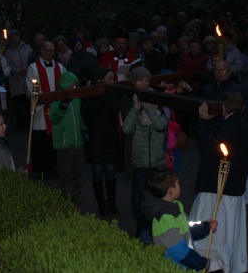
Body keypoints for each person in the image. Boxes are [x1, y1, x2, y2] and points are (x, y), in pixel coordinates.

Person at [189, 91, 248, 273]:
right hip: (235, 187)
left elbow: (205, 146)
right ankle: (231, 263)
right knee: (231, 232)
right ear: (242, 108)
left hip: (214, 186)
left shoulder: (220, 127)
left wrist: (203, 121)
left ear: (224, 108)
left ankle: (210, 261)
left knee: (210, 227)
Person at [123, 66, 168, 243]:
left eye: (147, 80)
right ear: (134, 82)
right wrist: (136, 108)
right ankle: (142, 226)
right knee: (139, 196)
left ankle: (156, 227)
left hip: (157, 160)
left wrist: (149, 108)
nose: (144, 83)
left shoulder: (156, 100)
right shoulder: (130, 98)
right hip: (140, 161)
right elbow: (126, 129)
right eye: (140, 80)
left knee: (158, 195)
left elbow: (160, 125)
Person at [143, 167, 218, 271]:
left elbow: (186, 228)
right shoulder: (164, 219)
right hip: (175, 268)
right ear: (171, 190)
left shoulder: (175, 206)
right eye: (177, 184)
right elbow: (179, 251)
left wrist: (205, 226)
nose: (179, 186)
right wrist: (201, 263)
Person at [81, 67, 122, 216]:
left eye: (113, 78)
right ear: (101, 79)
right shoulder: (90, 94)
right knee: (97, 172)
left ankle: (112, 202)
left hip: (110, 137)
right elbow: (85, 112)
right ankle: (101, 204)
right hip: (95, 138)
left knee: (110, 172)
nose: (112, 81)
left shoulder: (112, 94)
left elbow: (115, 107)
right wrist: (94, 91)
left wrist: (105, 91)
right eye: (109, 78)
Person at [25, 41, 65, 177]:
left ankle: (55, 167)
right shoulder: (33, 68)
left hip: (57, 109)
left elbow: (65, 85)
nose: (51, 53)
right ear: (41, 51)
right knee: (41, 141)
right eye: (48, 50)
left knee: (55, 139)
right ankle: (41, 168)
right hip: (41, 110)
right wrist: (47, 99)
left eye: (53, 50)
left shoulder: (60, 67)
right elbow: (32, 88)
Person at [49, 71, 86, 207]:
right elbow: (54, 118)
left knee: (78, 176)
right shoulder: (56, 99)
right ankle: (66, 205)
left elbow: (78, 118)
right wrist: (62, 107)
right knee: (66, 178)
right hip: (64, 145)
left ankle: (77, 204)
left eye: (75, 86)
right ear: (64, 85)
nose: (74, 89)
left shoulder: (76, 99)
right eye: (71, 86)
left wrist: (84, 129)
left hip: (77, 144)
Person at [4, 29, 33, 131]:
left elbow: (31, 60)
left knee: (28, 103)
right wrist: (16, 71)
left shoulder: (27, 48)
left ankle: (30, 124)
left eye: (16, 36)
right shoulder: (8, 52)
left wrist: (27, 68)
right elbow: (7, 65)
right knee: (19, 104)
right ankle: (21, 125)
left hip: (28, 79)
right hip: (16, 81)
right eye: (12, 38)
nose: (15, 39)